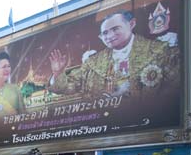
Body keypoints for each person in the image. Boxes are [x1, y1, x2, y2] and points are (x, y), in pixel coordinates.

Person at [48, 10, 179, 99]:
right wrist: (58, 73)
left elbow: (176, 89)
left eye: (115, 29)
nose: (110, 36)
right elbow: (69, 87)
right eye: (105, 33)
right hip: (104, 126)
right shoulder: (93, 62)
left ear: (132, 24)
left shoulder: (159, 50)